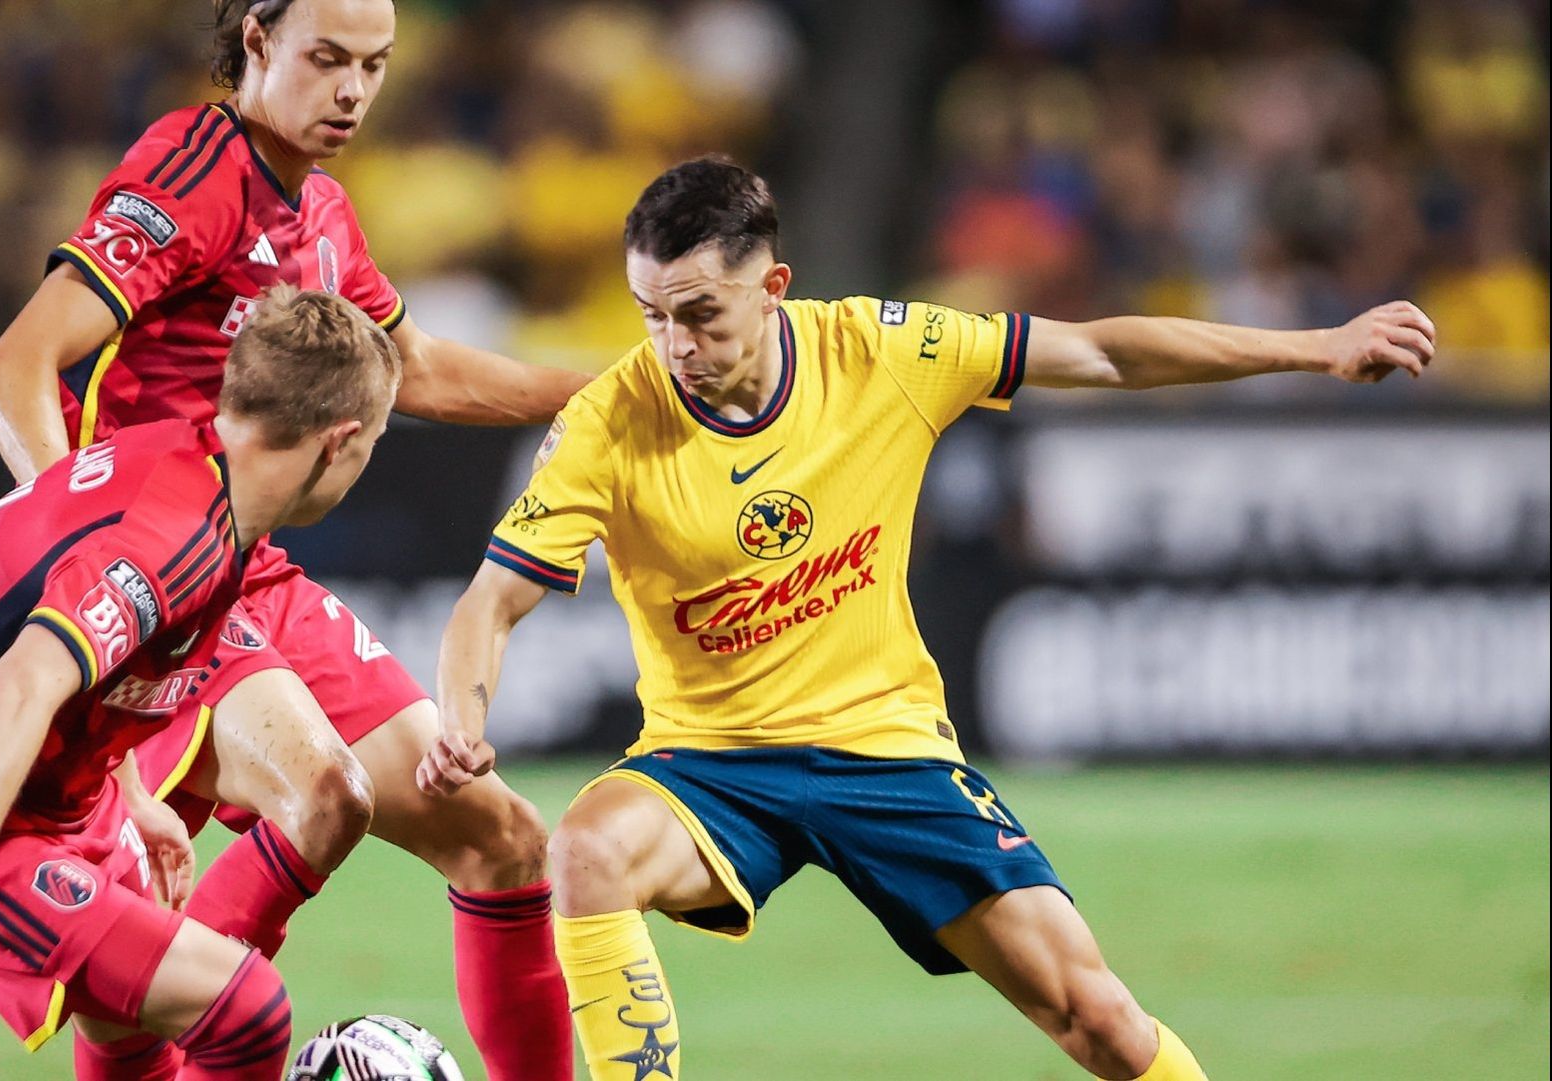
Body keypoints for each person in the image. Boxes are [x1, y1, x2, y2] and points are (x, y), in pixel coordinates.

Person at [425, 157, 1438, 1081]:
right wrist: (463, 721)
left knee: (1097, 1018)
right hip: (711, 762)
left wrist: (1317, 346)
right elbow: (492, 599)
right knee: (587, 850)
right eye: (651, 314)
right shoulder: (609, 420)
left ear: (775, 287)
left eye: (700, 314)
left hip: (887, 749)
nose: (673, 346)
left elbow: (1101, 355)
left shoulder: (880, 348)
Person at [0, 1, 586, 1076]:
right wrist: (81, 560)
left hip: (255, 579)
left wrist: (612, 396)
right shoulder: (193, 170)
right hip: (157, 583)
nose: (353, 90)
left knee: (502, 841)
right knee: (323, 796)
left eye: (376, 66)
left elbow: (421, 368)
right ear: (257, 42)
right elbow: (13, 369)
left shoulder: (323, 211)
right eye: (328, 59)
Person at [0, 288, 401, 1078]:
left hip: (53, 788)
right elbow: (17, 687)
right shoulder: (175, 540)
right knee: (247, 1010)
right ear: (338, 444)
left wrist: (130, 794)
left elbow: (104, 668)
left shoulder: (195, 471)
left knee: (133, 1030)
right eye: (373, 445)